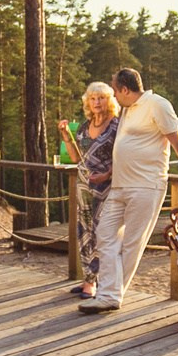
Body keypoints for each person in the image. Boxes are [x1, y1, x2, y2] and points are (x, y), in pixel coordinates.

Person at [80, 67, 178, 313]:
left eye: (115, 91)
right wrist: (108, 174)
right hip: (119, 185)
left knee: (132, 244)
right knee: (104, 235)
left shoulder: (157, 105)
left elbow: (177, 141)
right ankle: (110, 293)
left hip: (146, 185)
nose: (114, 97)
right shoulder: (127, 110)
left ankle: (109, 295)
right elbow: (124, 146)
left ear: (125, 90)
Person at [57, 81, 121, 299]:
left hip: (106, 188)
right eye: (93, 98)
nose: (96, 102)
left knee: (101, 233)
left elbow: (124, 156)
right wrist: (66, 135)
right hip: (84, 186)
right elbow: (76, 158)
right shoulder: (85, 126)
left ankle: (94, 282)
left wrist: (107, 174)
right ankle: (88, 278)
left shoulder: (117, 125)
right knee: (84, 233)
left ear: (109, 101)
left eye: (101, 98)